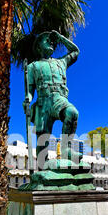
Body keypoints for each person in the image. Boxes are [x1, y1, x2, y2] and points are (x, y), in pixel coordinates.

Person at [24, 30, 81, 168]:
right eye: (46, 40)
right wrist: (28, 99)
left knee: (72, 113)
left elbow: (76, 51)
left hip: (59, 99)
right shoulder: (32, 66)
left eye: (52, 41)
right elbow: (30, 90)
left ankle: (66, 150)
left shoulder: (61, 62)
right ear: (38, 47)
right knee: (43, 138)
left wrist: (61, 38)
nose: (51, 42)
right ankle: (43, 166)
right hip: (43, 103)